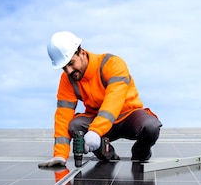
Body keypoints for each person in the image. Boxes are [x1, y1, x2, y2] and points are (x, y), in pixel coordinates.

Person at [39, 31, 162, 168]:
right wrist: (60, 155)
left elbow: (114, 100)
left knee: (151, 127)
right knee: (74, 125)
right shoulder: (67, 80)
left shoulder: (112, 64)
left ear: (81, 52)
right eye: (64, 67)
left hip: (128, 116)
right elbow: (63, 116)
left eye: (71, 63)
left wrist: (95, 131)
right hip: (97, 120)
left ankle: (140, 153)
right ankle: (107, 153)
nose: (68, 71)